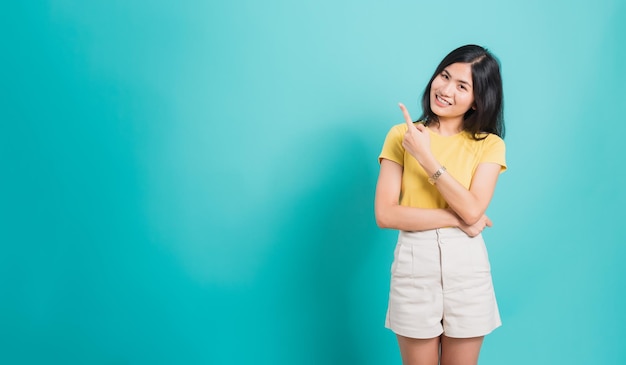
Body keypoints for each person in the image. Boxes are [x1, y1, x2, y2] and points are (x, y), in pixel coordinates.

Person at [374, 44, 506, 365]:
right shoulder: (400, 135)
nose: (445, 89)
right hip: (414, 262)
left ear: (478, 101)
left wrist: (426, 156)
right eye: (444, 76)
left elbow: (474, 210)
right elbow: (386, 214)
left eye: (462, 86)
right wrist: (457, 218)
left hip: (468, 268)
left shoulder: (490, 145)